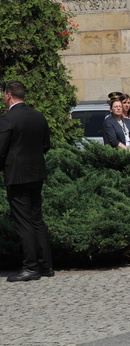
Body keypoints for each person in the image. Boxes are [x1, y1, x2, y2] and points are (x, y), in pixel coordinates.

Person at [0, 81, 54, 282]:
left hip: (17, 175)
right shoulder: (39, 116)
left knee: (23, 223)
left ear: (8, 95)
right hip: (36, 173)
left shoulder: (7, 119)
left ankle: (31, 267)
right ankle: (45, 265)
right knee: (36, 219)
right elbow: (46, 144)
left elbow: (0, 150)